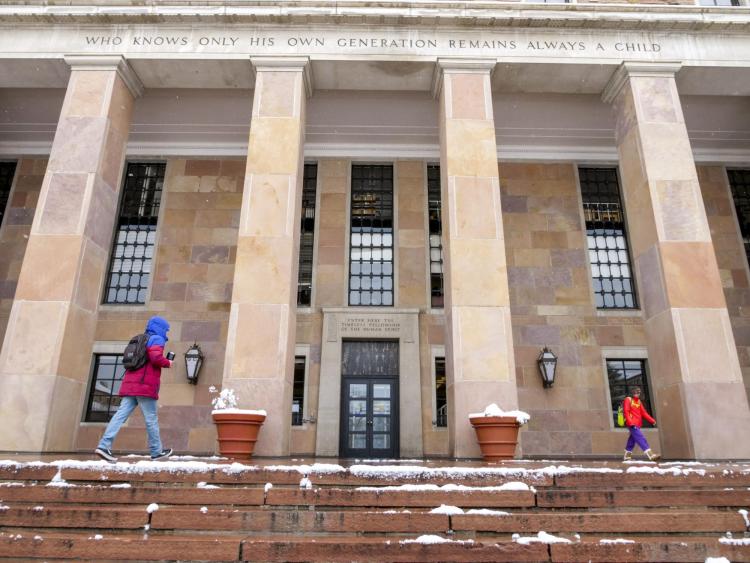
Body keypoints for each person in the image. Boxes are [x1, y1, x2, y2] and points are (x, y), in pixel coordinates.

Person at [95, 316, 174, 462]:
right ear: (161, 328)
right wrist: (168, 362)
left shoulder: (139, 338)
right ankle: (156, 452)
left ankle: (104, 445)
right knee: (151, 419)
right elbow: (156, 358)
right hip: (144, 386)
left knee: (120, 415)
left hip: (130, 385)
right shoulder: (156, 339)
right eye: (166, 329)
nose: (166, 332)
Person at [622, 386, 660, 461]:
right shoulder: (628, 399)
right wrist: (630, 422)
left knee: (632, 440)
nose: (637, 394)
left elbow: (644, 413)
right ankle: (650, 454)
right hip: (632, 424)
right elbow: (626, 411)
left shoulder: (638, 401)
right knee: (641, 438)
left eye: (638, 392)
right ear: (632, 392)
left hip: (638, 424)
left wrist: (652, 421)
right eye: (635, 392)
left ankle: (627, 456)